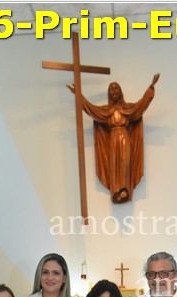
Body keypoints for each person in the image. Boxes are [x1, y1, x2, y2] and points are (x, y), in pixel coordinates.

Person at [68, 75, 159, 203]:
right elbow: (91, 109)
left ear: (120, 92)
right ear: (109, 94)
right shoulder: (106, 111)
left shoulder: (128, 109)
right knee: (114, 165)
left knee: (125, 163)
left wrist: (150, 88)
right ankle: (116, 191)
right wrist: (79, 96)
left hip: (125, 138)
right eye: (111, 90)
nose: (114, 91)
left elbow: (140, 106)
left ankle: (125, 190)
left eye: (116, 89)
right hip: (112, 139)